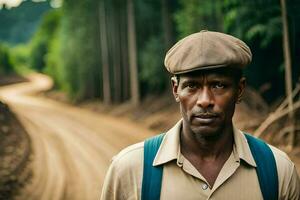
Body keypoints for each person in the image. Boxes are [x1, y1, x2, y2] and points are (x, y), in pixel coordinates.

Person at [100, 30, 300, 200]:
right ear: (176, 89)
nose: (205, 100)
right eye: (192, 86)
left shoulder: (277, 172)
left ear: (239, 90)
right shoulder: (129, 170)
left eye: (218, 85)